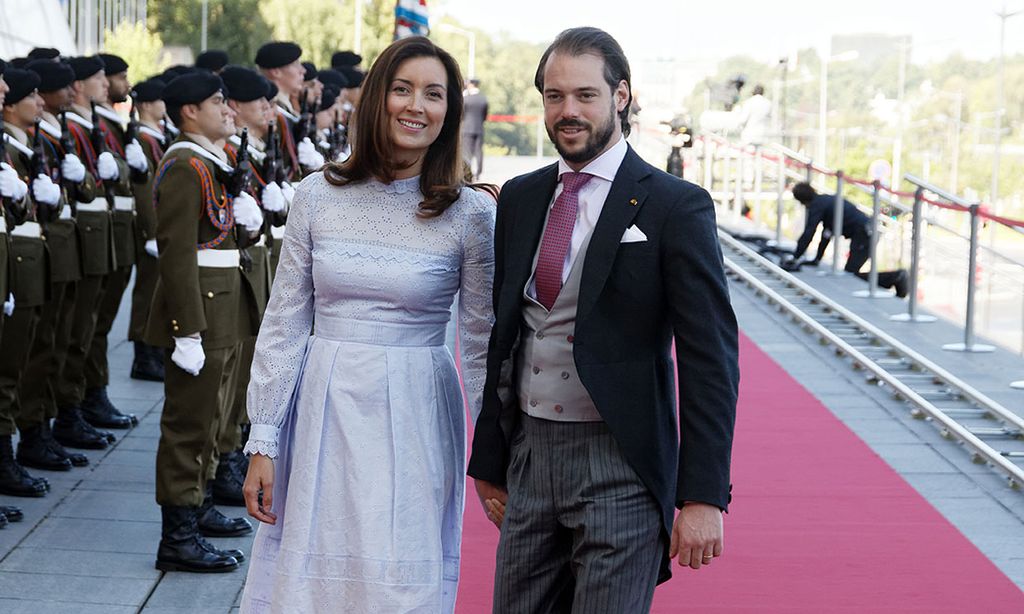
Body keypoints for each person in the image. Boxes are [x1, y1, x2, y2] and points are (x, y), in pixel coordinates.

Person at [467, 27, 739, 613]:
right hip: (530, 457)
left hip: (619, 460)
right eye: (554, 96)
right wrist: (489, 458)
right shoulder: (518, 197)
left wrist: (704, 496)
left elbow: (709, 358)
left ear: (621, 96)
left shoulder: (674, 206)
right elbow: (505, 334)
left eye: (585, 95)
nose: (568, 111)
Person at [239, 36, 495, 612]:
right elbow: (283, 323)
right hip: (322, 408)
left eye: (434, 94)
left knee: (398, 579)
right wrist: (263, 442)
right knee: (310, 580)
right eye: (402, 89)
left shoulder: (472, 213)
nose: (416, 106)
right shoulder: (316, 195)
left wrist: (494, 452)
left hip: (417, 410)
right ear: (377, 97)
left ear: (450, 112)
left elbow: (479, 342)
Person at [145, 71, 264, 573]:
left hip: (225, 305)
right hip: (201, 312)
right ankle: (178, 536)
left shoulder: (213, 162)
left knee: (215, 418)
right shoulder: (183, 166)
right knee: (189, 424)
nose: (228, 109)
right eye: (218, 102)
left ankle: (197, 509)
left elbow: (217, 234)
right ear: (189, 111)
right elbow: (175, 255)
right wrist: (185, 330)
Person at [81, 53, 149, 430]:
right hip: (96, 230)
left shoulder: (115, 122)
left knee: (98, 323)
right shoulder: (95, 123)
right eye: (114, 76)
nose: (117, 84)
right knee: (85, 326)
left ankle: (90, 396)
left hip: (115, 228)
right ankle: (84, 399)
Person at [788, 182, 909, 297]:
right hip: (866, 232)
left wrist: (796, 256)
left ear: (802, 200)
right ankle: (894, 278)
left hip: (864, 234)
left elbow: (810, 231)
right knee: (850, 273)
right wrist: (816, 259)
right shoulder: (825, 201)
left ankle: (895, 277)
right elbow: (827, 233)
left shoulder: (817, 205)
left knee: (850, 275)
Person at [127, 77, 168, 382]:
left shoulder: (157, 138)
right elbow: (145, 191)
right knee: (146, 292)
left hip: (161, 228)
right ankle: (144, 354)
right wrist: (152, 232)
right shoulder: (143, 139)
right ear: (145, 105)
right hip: (151, 231)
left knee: (155, 290)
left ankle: (152, 350)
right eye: (159, 100)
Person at [461, 77, 488, 180]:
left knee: (467, 151)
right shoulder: (483, 99)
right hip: (479, 128)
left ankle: (468, 173)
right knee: (479, 151)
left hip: (467, 128)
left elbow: (462, 114)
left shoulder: (466, 99)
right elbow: (485, 115)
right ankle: (479, 173)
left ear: (471, 85)